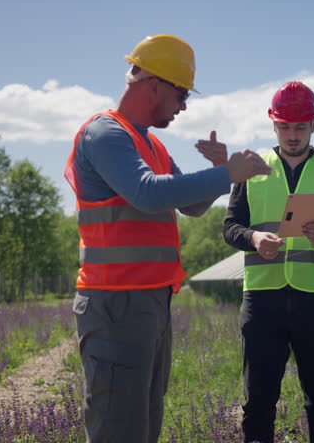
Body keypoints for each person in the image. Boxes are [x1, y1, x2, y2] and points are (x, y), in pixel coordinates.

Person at [64, 34, 272, 443]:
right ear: (153, 84)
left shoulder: (149, 143)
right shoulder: (105, 134)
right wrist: (228, 172)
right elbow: (148, 192)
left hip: (148, 302)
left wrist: (216, 175)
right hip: (116, 303)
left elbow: (189, 205)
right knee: (118, 428)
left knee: (142, 423)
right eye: (180, 95)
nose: (183, 106)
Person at [220, 81, 314, 443]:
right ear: (273, 123)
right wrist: (252, 237)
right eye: (285, 126)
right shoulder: (251, 170)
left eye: (300, 126)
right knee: (259, 400)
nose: (293, 134)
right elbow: (230, 227)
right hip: (262, 299)